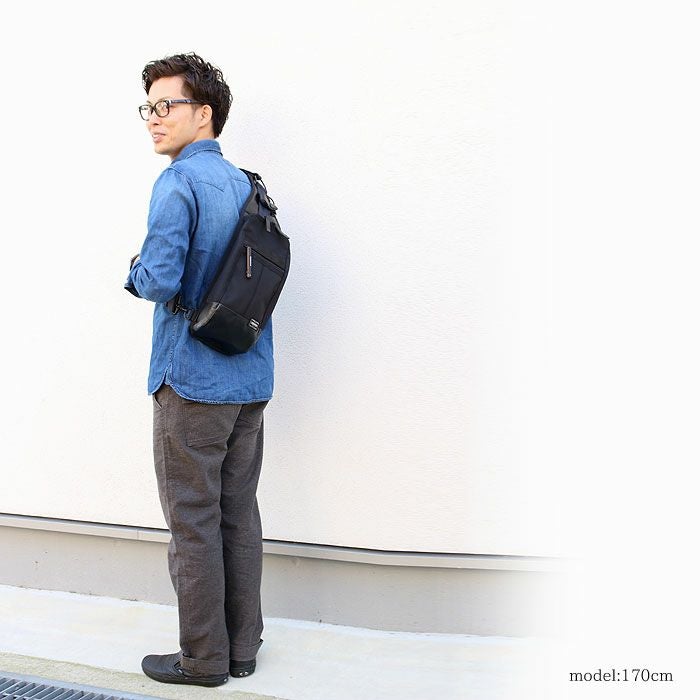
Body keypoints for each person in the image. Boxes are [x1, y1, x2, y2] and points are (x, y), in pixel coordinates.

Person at [124, 52, 274, 687]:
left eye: (168, 105)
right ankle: (242, 649)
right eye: (148, 107)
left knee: (193, 523)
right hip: (250, 379)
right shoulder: (248, 185)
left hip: (191, 382)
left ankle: (203, 660)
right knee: (238, 514)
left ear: (204, 113)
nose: (154, 118)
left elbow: (159, 279)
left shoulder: (177, 183)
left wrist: (132, 271)